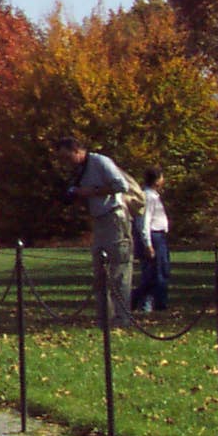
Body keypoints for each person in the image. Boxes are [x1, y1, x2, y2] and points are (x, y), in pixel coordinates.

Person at [54, 136, 133, 322]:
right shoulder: (79, 170)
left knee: (118, 268)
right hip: (98, 220)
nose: (65, 163)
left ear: (76, 150)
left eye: (66, 158)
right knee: (100, 270)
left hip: (114, 217)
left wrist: (92, 191)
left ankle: (123, 318)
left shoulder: (100, 161)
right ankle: (105, 317)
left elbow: (122, 185)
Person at [131, 166, 172, 313]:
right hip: (154, 237)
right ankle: (144, 302)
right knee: (157, 274)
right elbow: (144, 221)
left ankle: (147, 304)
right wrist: (147, 244)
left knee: (159, 272)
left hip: (159, 236)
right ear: (157, 180)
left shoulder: (154, 196)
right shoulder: (147, 197)